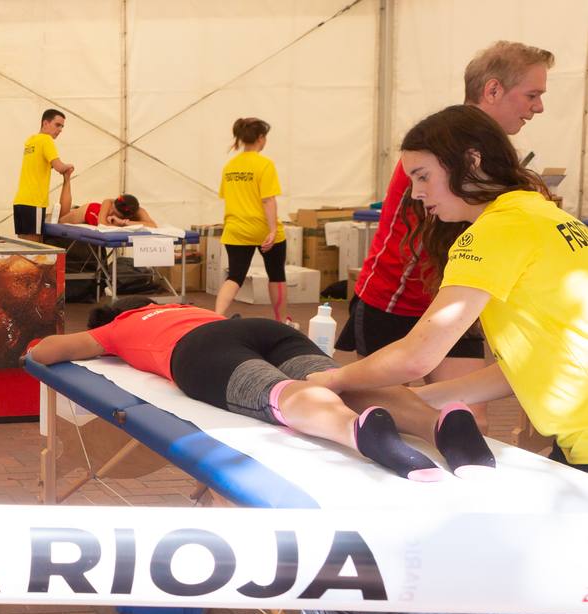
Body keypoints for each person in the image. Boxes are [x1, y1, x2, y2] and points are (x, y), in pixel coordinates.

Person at [310, 104, 588, 471]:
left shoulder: (495, 231)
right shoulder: (548, 218)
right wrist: (422, 399)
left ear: (471, 161)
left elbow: (419, 355)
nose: (415, 193)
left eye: (423, 176)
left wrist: (334, 379)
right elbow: (533, 364)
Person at [30, 298, 493, 479]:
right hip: (258, 327)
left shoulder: (119, 327)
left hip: (198, 351)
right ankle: (438, 424)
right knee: (337, 379)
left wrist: (38, 347)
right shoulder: (183, 305)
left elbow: (48, 352)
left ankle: (355, 431)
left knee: (278, 393)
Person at [348, 41, 553, 395]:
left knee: (466, 416)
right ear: (493, 90)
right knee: (389, 407)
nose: (539, 107)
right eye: (531, 95)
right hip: (401, 299)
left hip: (457, 297)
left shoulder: (500, 187)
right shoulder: (437, 150)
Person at [212, 118, 287, 321]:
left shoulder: (230, 166)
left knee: (235, 276)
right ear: (261, 138)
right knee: (277, 274)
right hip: (262, 228)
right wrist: (272, 230)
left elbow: (227, 196)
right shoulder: (265, 164)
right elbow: (267, 200)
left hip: (236, 229)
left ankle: (216, 317)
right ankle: (281, 320)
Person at [13, 109, 72, 236]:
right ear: (45, 123)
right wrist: (69, 167)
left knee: (23, 245)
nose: (60, 129)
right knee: (35, 248)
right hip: (34, 202)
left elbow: (39, 164)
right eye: (57, 125)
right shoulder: (46, 140)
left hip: (20, 201)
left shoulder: (31, 141)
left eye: (62, 126)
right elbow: (59, 167)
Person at [57, 169, 156, 227]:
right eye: (112, 209)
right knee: (61, 221)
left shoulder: (139, 211)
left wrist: (123, 222)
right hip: (92, 211)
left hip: (113, 221)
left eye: (115, 213)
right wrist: (119, 223)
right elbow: (102, 224)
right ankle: (66, 179)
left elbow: (153, 226)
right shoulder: (108, 202)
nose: (110, 213)